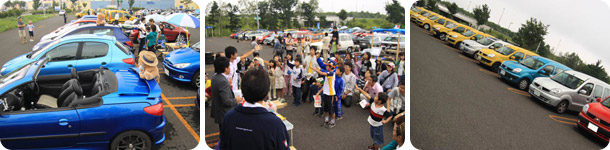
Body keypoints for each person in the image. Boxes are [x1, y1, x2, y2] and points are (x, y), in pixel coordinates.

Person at [219, 68, 290, 150]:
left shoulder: (228, 117)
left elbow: (223, 145)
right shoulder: (276, 124)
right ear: (266, 92)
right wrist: (272, 115)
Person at [211, 57, 243, 130]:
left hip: (219, 112)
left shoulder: (215, 77)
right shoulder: (223, 81)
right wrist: (236, 100)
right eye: (229, 66)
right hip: (225, 113)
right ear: (226, 68)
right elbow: (226, 101)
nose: (230, 68)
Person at [312, 60, 338, 128]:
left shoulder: (331, 73)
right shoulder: (329, 73)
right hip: (326, 93)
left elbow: (322, 73)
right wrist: (319, 92)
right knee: (325, 109)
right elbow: (325, 85)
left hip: (330, 94)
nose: (326, 66)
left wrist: (313, 68)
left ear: (330, 67)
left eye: (327, 65)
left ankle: (333, 122)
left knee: (331, 109)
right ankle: (326, 120)